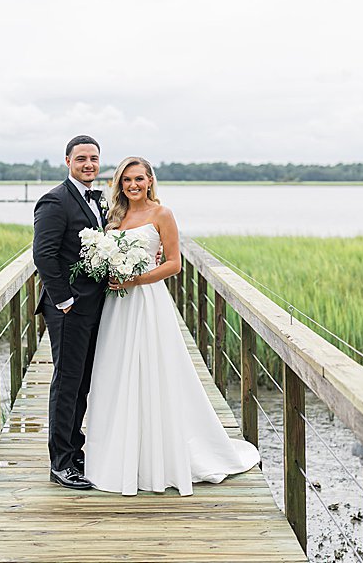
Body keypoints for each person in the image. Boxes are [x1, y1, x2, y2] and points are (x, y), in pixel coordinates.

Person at [83, 156, 260, 495]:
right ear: (120, 184)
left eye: (138, 179)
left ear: (150, 180)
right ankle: (119, 455)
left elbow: (175, 264)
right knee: (115, 373)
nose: (132, 185)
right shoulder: (114, 217)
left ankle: (159, 457)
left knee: (154, 371)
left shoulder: (162, 215)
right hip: (116, 308)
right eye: (126, 180)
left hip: (147, 301)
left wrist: (135, 279)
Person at [32, 134, 107, 490]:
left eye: (93, 158)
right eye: (81, 159)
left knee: (83, 384)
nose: (88, 164)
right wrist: (64, 301)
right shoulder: (55, 200)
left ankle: (74, 450)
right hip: (69, 310)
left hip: (96, 307)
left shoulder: (99, 201)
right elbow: (44, 255)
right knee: (66, 383)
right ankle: (60, 463)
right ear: (67, 161)